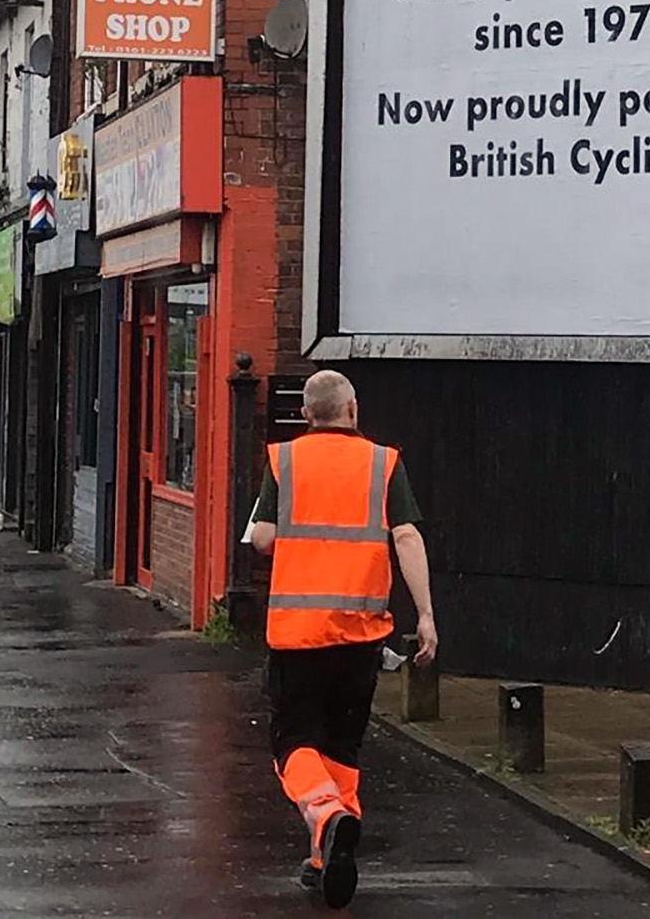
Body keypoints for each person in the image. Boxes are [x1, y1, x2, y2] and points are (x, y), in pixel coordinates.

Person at [250, 369, 437, 908]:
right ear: (353, 409)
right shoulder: (383, 463)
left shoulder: (284, 462)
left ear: (307, 415)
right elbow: (406, 535)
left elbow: (261, 538)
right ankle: (325, 856)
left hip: (298, 634)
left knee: (293, 746)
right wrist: (425, 615)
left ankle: (328, 817)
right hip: (360, 635)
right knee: (341, 746)